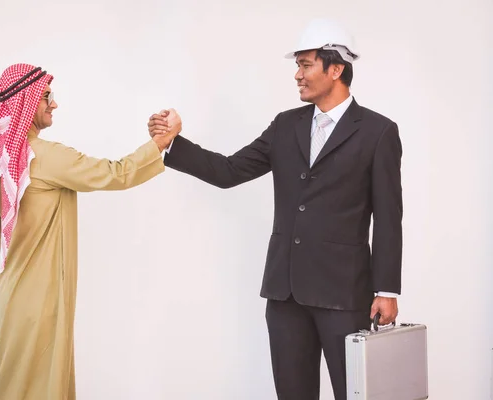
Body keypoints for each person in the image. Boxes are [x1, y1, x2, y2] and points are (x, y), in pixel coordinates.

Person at [147, 18, 402, 400]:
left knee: (356, 394)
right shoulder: (286, 126)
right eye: (296, 65)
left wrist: (386, 289)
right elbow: (229, 170)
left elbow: (387, 217)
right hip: (285, 295)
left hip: (345, 294)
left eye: (306, 64)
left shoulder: (378, 132)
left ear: (336, 69)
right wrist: (174, 144)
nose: (297, 75)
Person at [0, 63, 179, 400]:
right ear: (26, 101)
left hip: (17, 291)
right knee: (29, 386)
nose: (53, 104)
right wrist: (160, 143)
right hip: (39, 294)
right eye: (46, 96)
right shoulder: (42, 156)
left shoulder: (4, 155)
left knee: (21, 383)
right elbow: (116, 173)